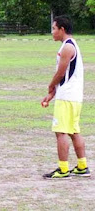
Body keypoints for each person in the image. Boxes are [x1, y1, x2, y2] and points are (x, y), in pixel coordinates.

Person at [41, 15, 90, 179]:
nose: (52, 32)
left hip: (68, 97)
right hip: (73, 96)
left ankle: (63, 170)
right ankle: (82, 166)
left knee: (61, 132)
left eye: (54, 29)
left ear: (62, 29)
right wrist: (53, 93)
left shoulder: (67, 47)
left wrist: (50, 87)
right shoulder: (71, 45)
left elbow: (61, 73)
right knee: (74, 131)